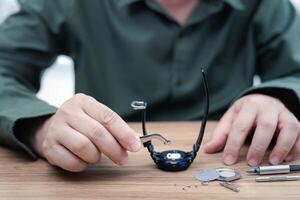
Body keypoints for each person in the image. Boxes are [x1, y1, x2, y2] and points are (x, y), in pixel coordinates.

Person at [0, 0, 299, 172]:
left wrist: (279, 96)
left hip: (233, 162)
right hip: (104, 172)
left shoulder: (265, 4)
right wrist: (40, 126)